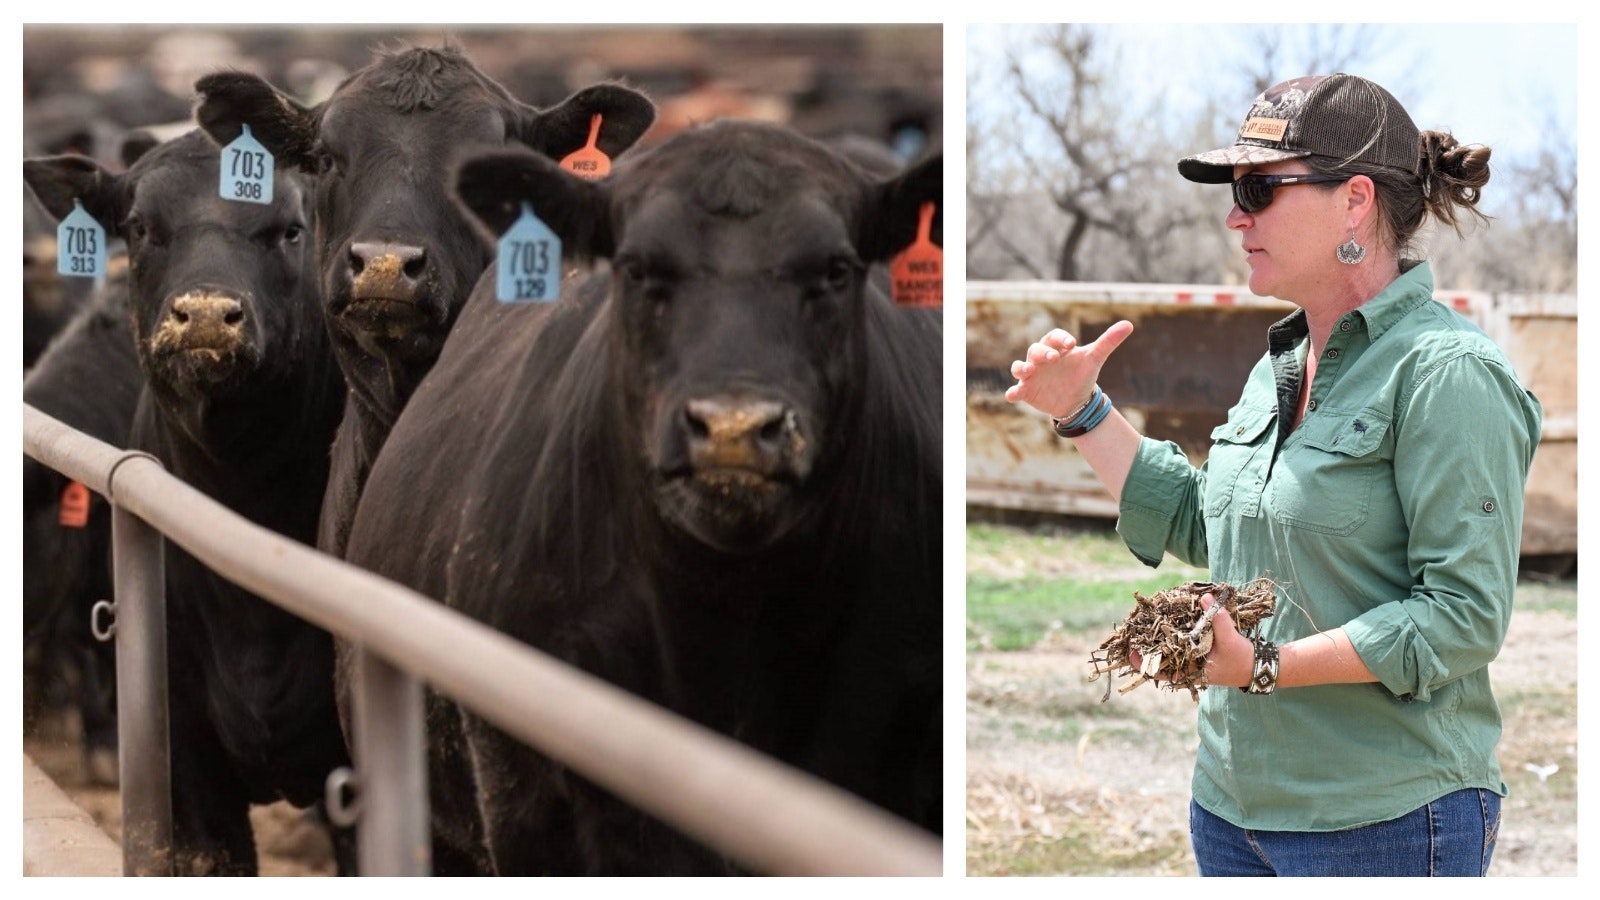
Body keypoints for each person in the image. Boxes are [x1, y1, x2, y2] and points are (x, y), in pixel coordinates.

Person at [1005, 73, 1542, 877]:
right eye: (1234, 190)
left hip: (1385, 821)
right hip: (1232, 812)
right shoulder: (1284, 363)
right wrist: (1082, 411)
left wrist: (1264, 666)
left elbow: (1462, 616)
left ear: (1355, 201)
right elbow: (1207, 525)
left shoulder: (1447, 373)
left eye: (1259, 188)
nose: (1235, 214)